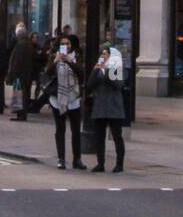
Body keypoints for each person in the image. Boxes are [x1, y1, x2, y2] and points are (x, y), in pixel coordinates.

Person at [46, 37, 85, 170]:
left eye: (67, 44)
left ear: (72, 45)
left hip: (73, 96)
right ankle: (61, 159)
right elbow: (47, 72)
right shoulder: (54, 56)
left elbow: (81, 73)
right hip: (58, 98)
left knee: (75, 130)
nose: (65, 46)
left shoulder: (76, 57)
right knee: (60, 129)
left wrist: (69, 61)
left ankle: (77, 159)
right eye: (62, 44)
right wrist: (56, 60)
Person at [88, 42, 125, 173]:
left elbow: (119, 84)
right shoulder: (99, 67)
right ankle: (100, 163)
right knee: (99, 137)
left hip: (114, 106)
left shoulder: (117, 67)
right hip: (100, 106)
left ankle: (119, 164)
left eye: (105, 53)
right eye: (102, 53)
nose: (103, 56)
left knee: (117, 136)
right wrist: (97, 69)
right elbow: (90, 85)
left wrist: (107, 70)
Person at [7, 23, 33, 121]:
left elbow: (17, 61)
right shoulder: (28, 44)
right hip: (26, 73)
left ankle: (21, 114)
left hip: (21, 74)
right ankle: (21, 113)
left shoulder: (21, 45)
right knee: (23, 94)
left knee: (20, 94)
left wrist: (13, 73)